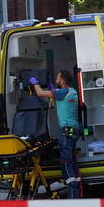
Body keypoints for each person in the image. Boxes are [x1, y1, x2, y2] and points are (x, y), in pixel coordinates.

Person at [32, 70, 82, 199]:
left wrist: (35, 83)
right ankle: (76, 194)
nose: (56, 80)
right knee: (72, 162)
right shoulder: (72, 92)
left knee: (66, 163)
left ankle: (72, 197)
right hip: (73, 130)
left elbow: (39, 93)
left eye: (57, 78)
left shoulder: (62, 92)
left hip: (66, 131)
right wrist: (53, 92)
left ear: (63, 81)